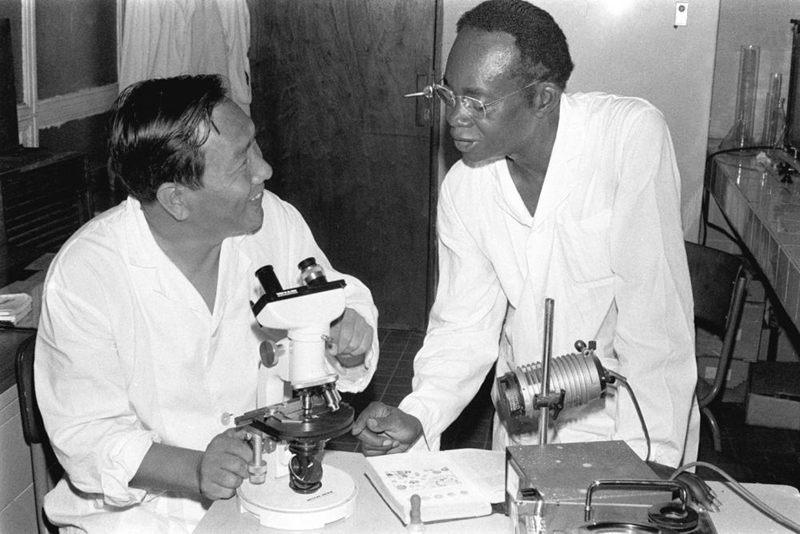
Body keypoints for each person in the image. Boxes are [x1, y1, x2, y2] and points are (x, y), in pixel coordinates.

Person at [352, 0, 717, 510]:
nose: (455, 116)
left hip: (625, 425)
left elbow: (655, 322)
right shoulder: (465, 188)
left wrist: (652, 461)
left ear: (542, 98)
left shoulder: (626, 139)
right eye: (449, 93)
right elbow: (463, 326)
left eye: (477, 102)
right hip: (525, 424)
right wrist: (421, 412)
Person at [34, 74, 379, 532]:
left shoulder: (272, 221)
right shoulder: (87, 274)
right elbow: (87, 436)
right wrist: (196, 468)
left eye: (254, 145)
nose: (264, 170)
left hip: (263, 486)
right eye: (241, 162)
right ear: (177, 199)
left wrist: (347, 335)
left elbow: (336, 295)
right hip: (138, 518)